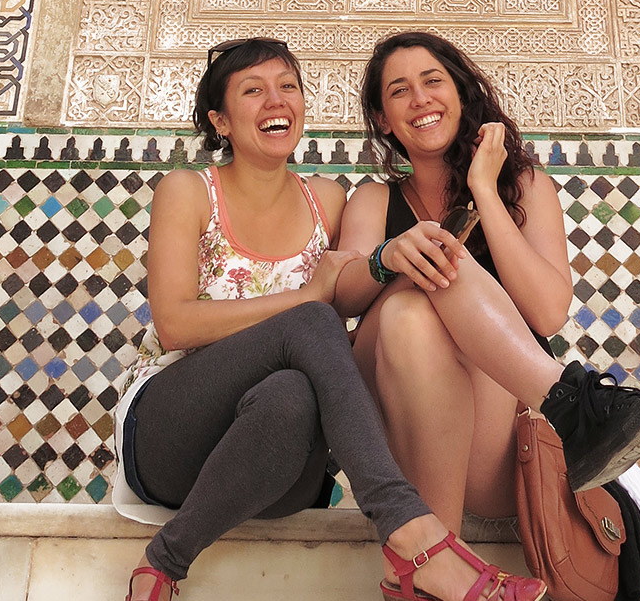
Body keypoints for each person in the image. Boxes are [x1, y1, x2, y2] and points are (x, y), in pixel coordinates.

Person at [112, 37, 548, 601]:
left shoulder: (329, 201)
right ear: (220, 120)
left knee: (296, 390)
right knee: (314, 323)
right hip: (172, 432)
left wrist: (363, 273)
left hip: (278, 465)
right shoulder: (189, 191)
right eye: (253, 91)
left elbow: (349, 294)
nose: (276, 101)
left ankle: (164, 559)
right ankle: (411, 533)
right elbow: (173, 325)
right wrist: (308, 299)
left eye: (288, 87)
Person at [334, 31, 640, 532]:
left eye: (432, 81)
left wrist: (484, 191)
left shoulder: (524, 186)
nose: (420, 99)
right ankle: (577, 406)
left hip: (492, 448)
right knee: (412, 294)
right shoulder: (373, 202)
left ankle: (433, 564)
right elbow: (339, 296)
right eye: (399, 91)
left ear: (461, 94)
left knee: (416, 306)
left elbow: (548, 313)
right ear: (382, 117)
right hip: (397, 433)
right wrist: (389, 257)